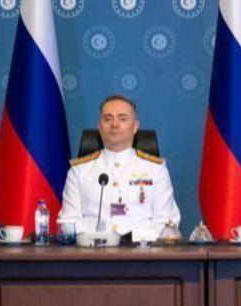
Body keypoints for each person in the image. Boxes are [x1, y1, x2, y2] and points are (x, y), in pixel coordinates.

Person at [60, 94, 181, 237]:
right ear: (99, 126)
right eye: (107, 119)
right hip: (93, 253)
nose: (114, 124)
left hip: (143, 253)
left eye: (122, 118)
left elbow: (165, 222)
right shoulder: (79, 171)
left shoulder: (156, 170)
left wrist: (138, 240)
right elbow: (69, 222)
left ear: (135, 126)